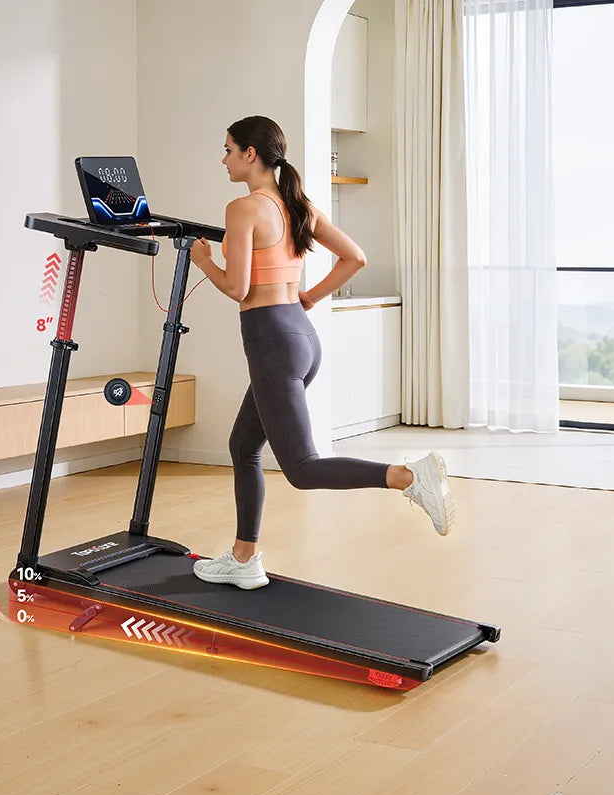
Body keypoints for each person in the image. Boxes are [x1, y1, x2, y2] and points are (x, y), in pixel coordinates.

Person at [187, 115, 453, 590]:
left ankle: (408, 477)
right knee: (242, 446)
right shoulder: (297, 205)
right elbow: (356, 257)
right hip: (301, 336)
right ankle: (244, 559)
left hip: (271, 342)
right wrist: (308, 298)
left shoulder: (244, 208)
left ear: (251, 154)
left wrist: (205, 260)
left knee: (302, 469)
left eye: (228, 149)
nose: (223, 159)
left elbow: (238, 286)